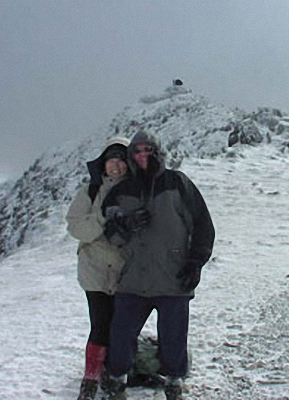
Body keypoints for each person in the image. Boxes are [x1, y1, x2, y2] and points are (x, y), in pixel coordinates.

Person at [100, 130, 215, 400]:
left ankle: (174, 384)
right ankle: (117, 382)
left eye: (147, 150)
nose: (142, 156)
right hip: (133, 279)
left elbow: (203, 226)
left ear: (157, 152)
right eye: (137, 151)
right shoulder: (121, 192)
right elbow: (111, 235)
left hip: (173, 277)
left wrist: (195, 263)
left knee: (173, 338)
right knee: (121, 334)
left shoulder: (178, 183)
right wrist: (125, 225)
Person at [66, 136, 131, 400]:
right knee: (100, 325)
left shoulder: (138, 190)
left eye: (121, 160)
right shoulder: (90, 190)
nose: (115, 166)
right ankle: (90, 379)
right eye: (111, 160)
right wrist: (103, 217)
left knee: (121, 327)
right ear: (103, 163)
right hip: (94, 269)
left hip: (125, 271)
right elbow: (75, 226)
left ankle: (113, 375)